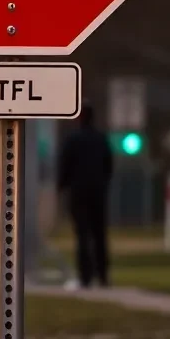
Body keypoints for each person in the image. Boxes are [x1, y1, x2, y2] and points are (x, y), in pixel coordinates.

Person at [57, 101, 114, 288]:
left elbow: (65, 166)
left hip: (78, 192)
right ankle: (103, 276)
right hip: (98, 192)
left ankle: (85, 277)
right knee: (99, 235)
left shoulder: (73, 139)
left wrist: (61, 187)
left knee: (82, 235)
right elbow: (108, 165)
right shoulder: (101, 138)